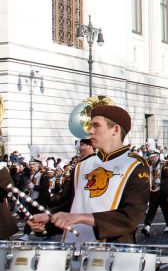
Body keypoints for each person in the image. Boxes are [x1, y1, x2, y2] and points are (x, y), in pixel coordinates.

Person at [27, 104, 150, 244]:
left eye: (96, 125)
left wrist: (79, 218)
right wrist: (48, 220)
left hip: (112, 255)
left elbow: (130, 218)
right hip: (72, 249)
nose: (90, 130)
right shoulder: (82, 165)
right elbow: (66, 208)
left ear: (115, 129)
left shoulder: (136, 165)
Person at [141, 150, 168, 236]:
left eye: (154, 157)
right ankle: (147, 226)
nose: (152, 158)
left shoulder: (163, 165)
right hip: (153, 191)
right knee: (151, 209)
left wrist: (161, 182)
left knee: (165, 209)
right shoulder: (150, 165)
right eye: (151, 157)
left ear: (158, 156)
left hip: (162, 190)